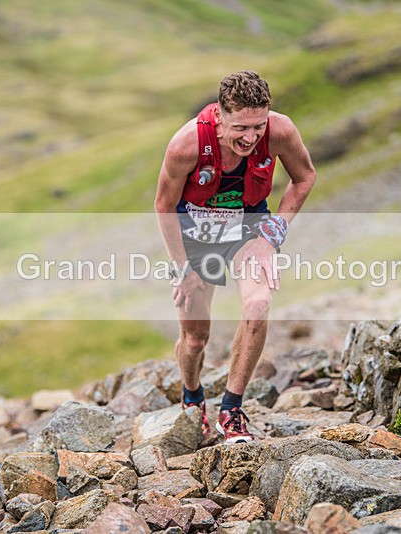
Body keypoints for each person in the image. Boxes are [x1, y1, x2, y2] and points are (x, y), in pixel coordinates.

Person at [155, 70, 316, 444]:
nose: (250, 137)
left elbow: (304, 177)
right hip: (195, 232)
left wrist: (271, 235)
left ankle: (232, 409)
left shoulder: (281, 131)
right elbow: (163, 204)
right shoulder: (187, 144)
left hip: (248, 228)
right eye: (241, 127)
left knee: (258, 306)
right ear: (220, 116)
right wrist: (184, 267)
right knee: (195, 338)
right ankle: (193, 395)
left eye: (258, 126)